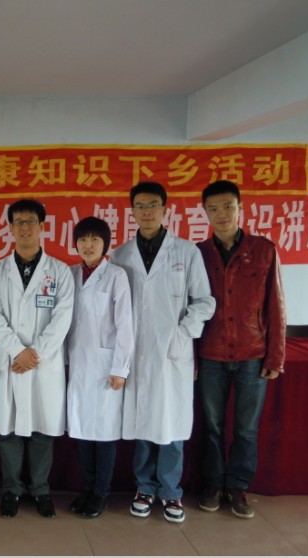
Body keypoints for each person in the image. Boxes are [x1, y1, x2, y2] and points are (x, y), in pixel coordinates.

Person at [110, 181, 215, 523]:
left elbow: (204, 301)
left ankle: (170, 491)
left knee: (170, 422)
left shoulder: (186, 252)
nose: (147, 211)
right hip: (135, 351)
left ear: (165, 209)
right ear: (132, 211)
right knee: (142, 419)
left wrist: (183, 333)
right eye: (140, 205)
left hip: (172, 350)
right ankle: (144, 487)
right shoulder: (120, 255)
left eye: (153, 204)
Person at [196, 180, 286, 519]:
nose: (221, 214)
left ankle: (237, 486)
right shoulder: (199, 254)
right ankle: (213, 484)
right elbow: (188, 308)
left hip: (252, 353)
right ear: (205, 213)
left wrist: (275, 355)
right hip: (211, 353)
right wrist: (191, 358)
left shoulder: (264, 250)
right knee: (212, 426)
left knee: (247, 428)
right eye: (213, 209)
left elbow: (276, 306)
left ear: (240, 208)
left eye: (228, 207)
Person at [0, 198, 74, 519]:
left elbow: (62, 318)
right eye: (18, 222)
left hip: (42, 364)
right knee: (7, 431)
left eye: (30, 221)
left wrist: (34, 354)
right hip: (9, 362)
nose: (24, 227)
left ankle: (40, 490)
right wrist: (17, 351)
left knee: (42, 430)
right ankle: (12, 490)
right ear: (9, 228)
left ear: (42, 226)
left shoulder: (60, 271)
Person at [66, 216, 133, 519]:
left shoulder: (116, 275)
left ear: (105, 244)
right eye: (82, 239)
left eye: (94, 239)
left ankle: (101, 491)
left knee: (103, 432)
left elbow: (125, 325)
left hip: (107, 366)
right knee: (81, 429)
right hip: (77, 363)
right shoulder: (70, 274)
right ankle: (87, 488)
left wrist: (120, 368)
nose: (88, 245)